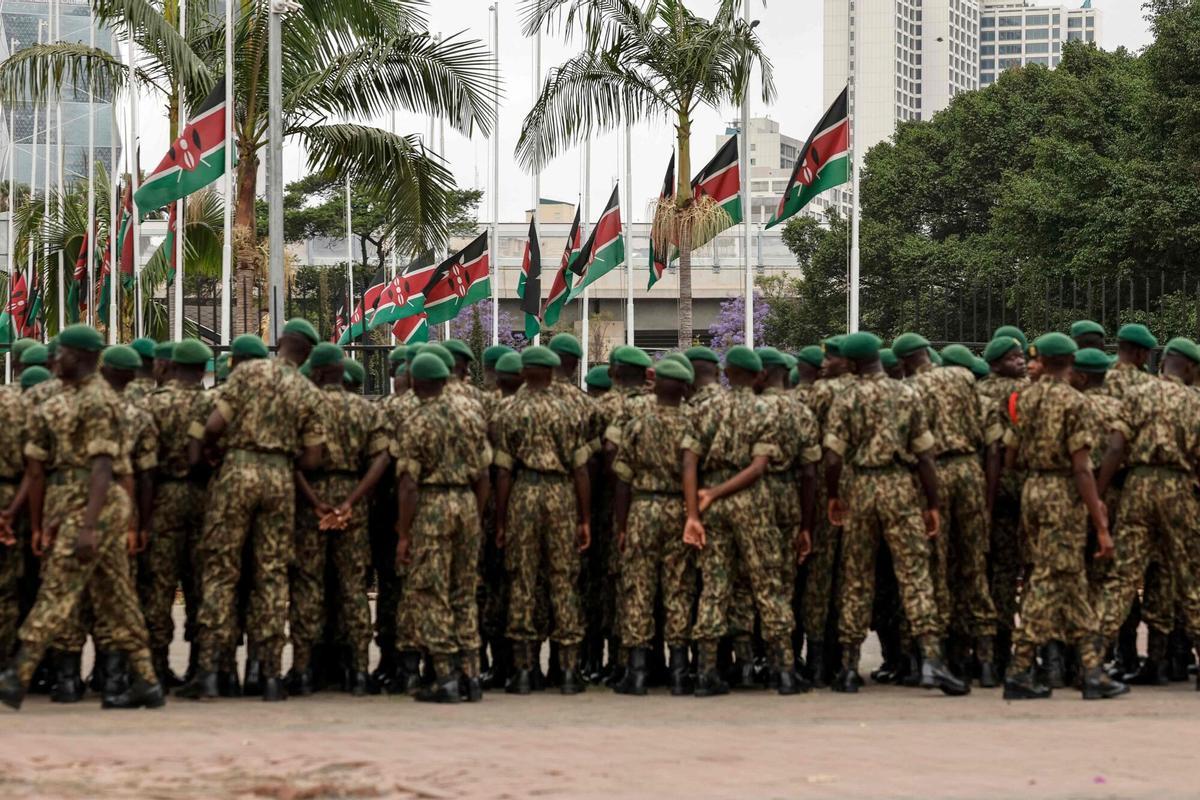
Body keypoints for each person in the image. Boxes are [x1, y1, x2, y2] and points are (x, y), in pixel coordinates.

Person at [0, 324, 165, 710]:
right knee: (118, 598)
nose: (54, 359)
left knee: (58, 585)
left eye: (62, 354)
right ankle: (147, 681)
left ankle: (17, 674)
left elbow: (104, 467)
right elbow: (37, 468)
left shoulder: (99, 400)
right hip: (72, 502)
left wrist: (89, 525)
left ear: (81, 357)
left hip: (98, 504)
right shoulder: (60, 399)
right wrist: (34, 519)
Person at [178, 321, 325, 702]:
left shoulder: (248, 373)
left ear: (278, 345)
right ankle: (271, 674)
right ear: (307, 354)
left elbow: (212, 426)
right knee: (272, 574)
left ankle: (211, 671)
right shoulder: (308, 393)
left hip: (236, 473)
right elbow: (311, 458)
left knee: (221, 569)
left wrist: (216, 451)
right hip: (279, 479)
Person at [823, 332, 968, 696]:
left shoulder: (846, 397)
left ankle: (847, 667)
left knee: (857, 577)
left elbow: (832, 457)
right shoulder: (907, 394)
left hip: (859, 489)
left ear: (853, 364)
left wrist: (834, 496)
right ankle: (933, 662)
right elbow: (925, 456)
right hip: (900, 489)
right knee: (916, 575)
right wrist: (932, 504)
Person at [1002, 333, 1126, 700]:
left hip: (1033, 491)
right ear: (1071, 363)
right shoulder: (1076, 402)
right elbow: (1081, 468)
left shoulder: (1024, 397)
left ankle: (1091, 669)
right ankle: (1021, 666)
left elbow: (1010, 457)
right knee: (1047, 578)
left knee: (1069, 578)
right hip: (1062, 496)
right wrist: (1100, 522)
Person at [685, 345, 806, 696]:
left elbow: (689, 461)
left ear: (726, 373)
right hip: (752, 502)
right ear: (757, 377)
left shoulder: (706, 408)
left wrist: (696, 508)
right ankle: (783, 670)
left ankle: (707, 672)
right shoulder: (762, 409)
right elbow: (758, 468)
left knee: (715, 586)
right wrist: (720, 492)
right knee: (767, 584)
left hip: (712, 504)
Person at [1095, 337, 1200, 691]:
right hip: (1178, 486)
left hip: (1138, 486)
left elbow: (1115, 447)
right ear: (1188, 367)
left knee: (1123, 577)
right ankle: (1163, 660)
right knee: (1186, 575)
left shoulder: (1138, 393)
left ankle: (1091, 662)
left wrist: (1096, 496)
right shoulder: (1193, 401)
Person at [290, 344, 390, 697]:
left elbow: (292, 459)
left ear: (316, 373)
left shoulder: (305, 406)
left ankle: (303, 670)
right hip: (353, 499)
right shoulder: (364, 409)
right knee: (353, 588)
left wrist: (317, 502)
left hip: (311, 499)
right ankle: (359, 671)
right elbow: (381, 460)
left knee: (309, 586)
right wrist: (350, 500)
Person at [493, 346, 591, 695]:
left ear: (524, 372)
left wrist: (502, 521)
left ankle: (524, 668)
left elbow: (503, 472)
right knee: (563, 579)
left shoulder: (507, 410)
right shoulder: (569, 410)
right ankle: (567, 670)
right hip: (561, 493)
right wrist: (584, 519)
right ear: (552, 373)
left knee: (523, 579)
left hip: (523, 492)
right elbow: (580, 468)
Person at [393, 353, 491, 703]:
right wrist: (475, 516)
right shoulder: (471, 414)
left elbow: (407, 484)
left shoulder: (418, 420)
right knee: (464, 591)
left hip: (433, 506)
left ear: (418, 384)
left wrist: (404, 534)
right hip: (466, 503)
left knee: (432, 592)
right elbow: (484, 474)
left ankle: (446, 676)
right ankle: (471, 675)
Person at [611, 356, 699, 695]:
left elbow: (622, 479)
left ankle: (636, 671)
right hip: (680, 507)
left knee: (638, 588)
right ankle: (679, 670)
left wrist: (622, 525)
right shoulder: (693, 422)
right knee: (678, 588)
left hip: (643, 508)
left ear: (656, 384)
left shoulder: (638, 424)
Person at [139, 338, 216, 690]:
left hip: (164, 497)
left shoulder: (153, 405)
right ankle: (204, 670)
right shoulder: (213, 404)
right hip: (204, 499)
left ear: (169, 366)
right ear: (203, 369)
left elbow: (145, 467)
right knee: (201, 585)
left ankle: (155, 670)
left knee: (159, 585)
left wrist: (142, 517)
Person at [1103, 324, 1157, 400]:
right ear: (1140, 353)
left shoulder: (1100, 376)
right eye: (1147, 353)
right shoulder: (1149, 383)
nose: (1147, 357)